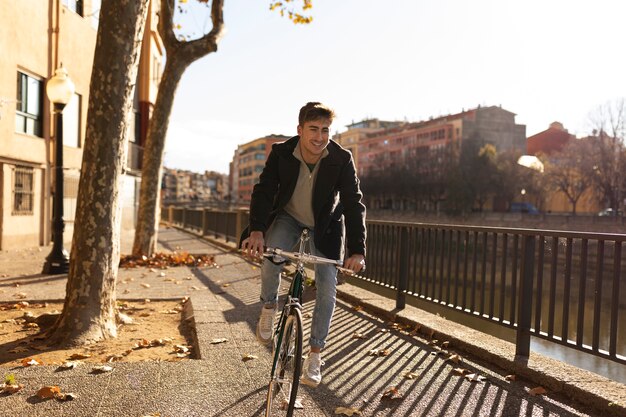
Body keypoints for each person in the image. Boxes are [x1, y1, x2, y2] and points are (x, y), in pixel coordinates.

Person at [241, 102, 366, 387]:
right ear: (299, 130)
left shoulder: (341, 158)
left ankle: (315, 355)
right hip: (289, 217)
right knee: (271, 253)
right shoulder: (281, 152)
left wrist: (357, 251)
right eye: (313, 129)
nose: (320, 137)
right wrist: (257, 230)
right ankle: (270, 306)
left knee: (327, 284)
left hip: (325, 227)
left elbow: (353, 204)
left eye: (325, 130)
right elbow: (263, 190)